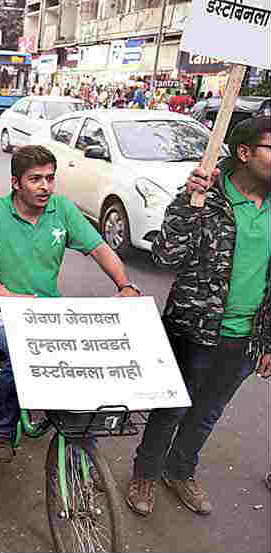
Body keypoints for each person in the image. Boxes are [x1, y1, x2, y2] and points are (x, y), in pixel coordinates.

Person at [126, 116, 271, 517]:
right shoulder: (206, 197)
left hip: (246, 336)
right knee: (172, 407)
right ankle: (145, 473)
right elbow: (165, 255)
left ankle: (180, 471)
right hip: (195, 329)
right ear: (245, 153)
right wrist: (186, 204)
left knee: (207, 412)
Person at [0, 144, 141, 462]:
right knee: (19, 360)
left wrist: (124, 284)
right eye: (35, 179)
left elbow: (100, 248)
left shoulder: (61, 209)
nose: (44, 186)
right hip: (2, 309)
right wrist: (1, 293)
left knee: (81, 363)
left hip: (48, 309)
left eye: (50, 178)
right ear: (16, 182)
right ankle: (1, 429)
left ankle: (82, 448)